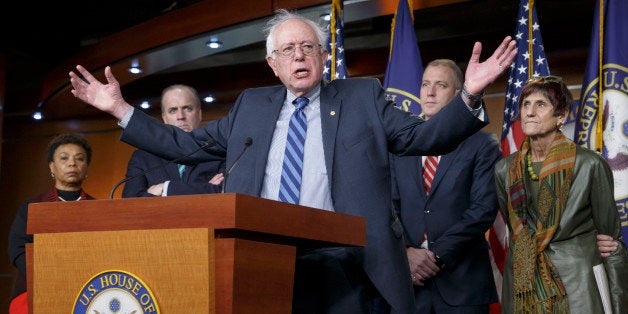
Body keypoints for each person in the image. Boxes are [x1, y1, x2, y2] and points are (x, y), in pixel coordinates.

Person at [68, 9, 517, 313]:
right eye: (287, 51)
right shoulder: (251, 106)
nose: (298, 56)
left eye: (307, 47)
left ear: (324, 57)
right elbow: (186, 146)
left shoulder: (362, 97)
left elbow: (424, 136)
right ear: (272, 64)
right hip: (264, 260)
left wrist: (469, 95)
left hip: (348, 264)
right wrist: (120, 110)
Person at [493, 75, 628, 313]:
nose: (530, 112)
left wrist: (619, 306)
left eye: (541, 104)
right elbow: (517, 229)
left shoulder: (589, 164)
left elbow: (611, 242)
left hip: (579, 287)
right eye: (526, 104)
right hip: (525, 287)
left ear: (561, 117)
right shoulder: (504, 170)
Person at [392, 59, 501, 313]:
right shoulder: (399, 145)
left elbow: (482, 211)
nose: (429, 92)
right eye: (425, 84)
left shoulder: (483, 145)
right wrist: (406, 251)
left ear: (457, 94)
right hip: (408, 285)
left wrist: (435, 256)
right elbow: (390, 206)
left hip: (463, 284)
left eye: (440, 85)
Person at [7, 133, 96, 314]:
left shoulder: (99, 208)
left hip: (87, 287)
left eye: (79, 159)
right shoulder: (32, 206)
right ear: (52, 167)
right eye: (64, 158)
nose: (72, 163)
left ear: (86, 167)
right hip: (36, 285)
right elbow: (16, 250)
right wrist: (50, 273)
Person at [122, 84, 225, 197]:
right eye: (173, 110)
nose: (181, 116)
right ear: (164, 118)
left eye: (187, 108)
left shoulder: (220, 151)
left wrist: (163, 188)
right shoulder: (142, 157)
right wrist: (204, 189)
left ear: (199, 114)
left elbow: (225, 191)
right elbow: (129, 202)